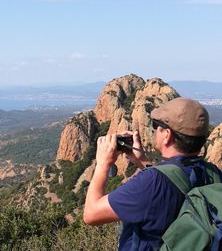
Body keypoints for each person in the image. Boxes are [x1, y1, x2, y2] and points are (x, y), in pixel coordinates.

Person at [83, 97, 222, 250]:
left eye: (157, 126)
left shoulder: (151, 183)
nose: (155, 130)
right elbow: (180, 181)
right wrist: (142, 161)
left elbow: (91, 214)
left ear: (167, 135)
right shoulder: (213, 173)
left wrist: (103, 163)